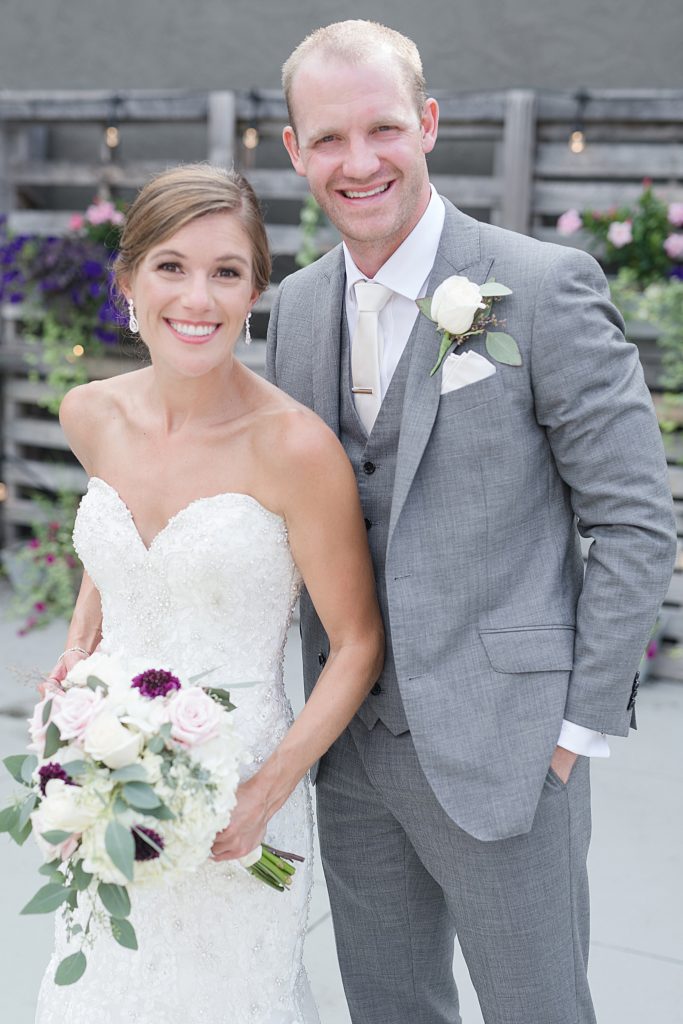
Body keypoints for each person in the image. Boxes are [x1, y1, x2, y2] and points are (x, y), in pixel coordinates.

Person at [266, 20, 678, 1024]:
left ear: (428, 124)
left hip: (512, 751)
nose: (358, 161)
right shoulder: (296, 307)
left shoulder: (539, 287)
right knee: (388, 1007)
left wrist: (575, 729)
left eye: (382, 128)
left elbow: (634, 520)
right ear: (293, 150)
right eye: (328, 138)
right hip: (350, 753)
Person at [36, 163, 384, 1024]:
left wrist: (265, 793)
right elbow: (120, 550)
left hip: (239, 799)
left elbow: (356, 644)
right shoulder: (89, 414)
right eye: (171, 267)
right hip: (105, 780)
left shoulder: (294, 449)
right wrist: (78, 658)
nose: (198, 298)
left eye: (226, 272)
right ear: (127, 281)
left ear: (254, 292)